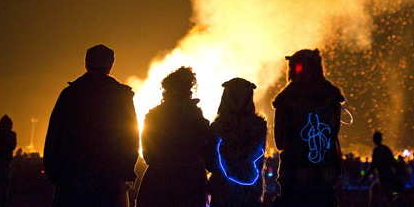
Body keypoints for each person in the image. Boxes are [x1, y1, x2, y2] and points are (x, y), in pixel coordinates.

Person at [44, 44, 138, 207]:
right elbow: (131, 136)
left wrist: (53, 172)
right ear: (111, 64)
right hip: (109, 178)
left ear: (86, 62)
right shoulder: (121, 95)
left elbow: (55, 134)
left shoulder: (70, 94)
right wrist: (126, 171)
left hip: (72, 176)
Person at [273, 49, 345, 207]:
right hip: (325, 169)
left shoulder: (286, 98)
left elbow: (280, 141)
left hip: (294, 169)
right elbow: (334, 132)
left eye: (297, 67)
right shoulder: (331, 95)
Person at [137, 67, 213, 207]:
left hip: (159, 178)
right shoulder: (195, 115)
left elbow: (148, 153)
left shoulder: (154, 115)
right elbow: (206, 144)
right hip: (190, 179)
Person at [209, 78, 267, 207]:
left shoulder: (217, 126)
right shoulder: (259, 125)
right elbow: (259, 157)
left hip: (224, 190)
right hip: (248, 190)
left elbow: (210, 161)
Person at [367, 131, 398, 207]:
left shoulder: (377, 150)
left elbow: (373, 165)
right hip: (389, 176)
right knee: (388, 197)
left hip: (382, 178)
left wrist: (364, 176)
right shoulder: (386, 149)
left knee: (377, 196)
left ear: (375, 139)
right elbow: (393, 162)